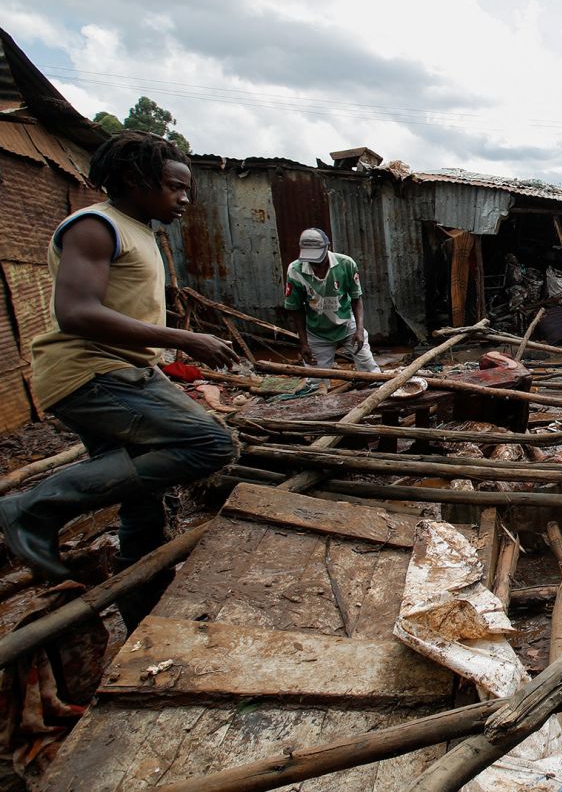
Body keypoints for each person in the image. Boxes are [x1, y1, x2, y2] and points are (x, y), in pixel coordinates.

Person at [0, 132, 239, 608]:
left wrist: (163, 357)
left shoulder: (139, 229)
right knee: (209, 442)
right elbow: (77, 313)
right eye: (174, 187)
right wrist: (185, 338)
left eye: (186, 188)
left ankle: (140, 599)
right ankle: (29, 508)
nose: (185, 198)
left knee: (142, 498)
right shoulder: (94, 227)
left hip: (124, 371)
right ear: (134, 179)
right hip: (92, 374)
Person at [284, 228, 380, 373]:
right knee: (316, 382)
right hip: (316, 331)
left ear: (327, 248)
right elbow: (296, 309)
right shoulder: (295, 270)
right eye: (312, 262)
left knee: (371, 371)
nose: (315, 266)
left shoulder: (346, 264)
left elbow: (356, 298)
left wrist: (359, 330)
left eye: (319, 261)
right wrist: (304, 343)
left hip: (346, 324)